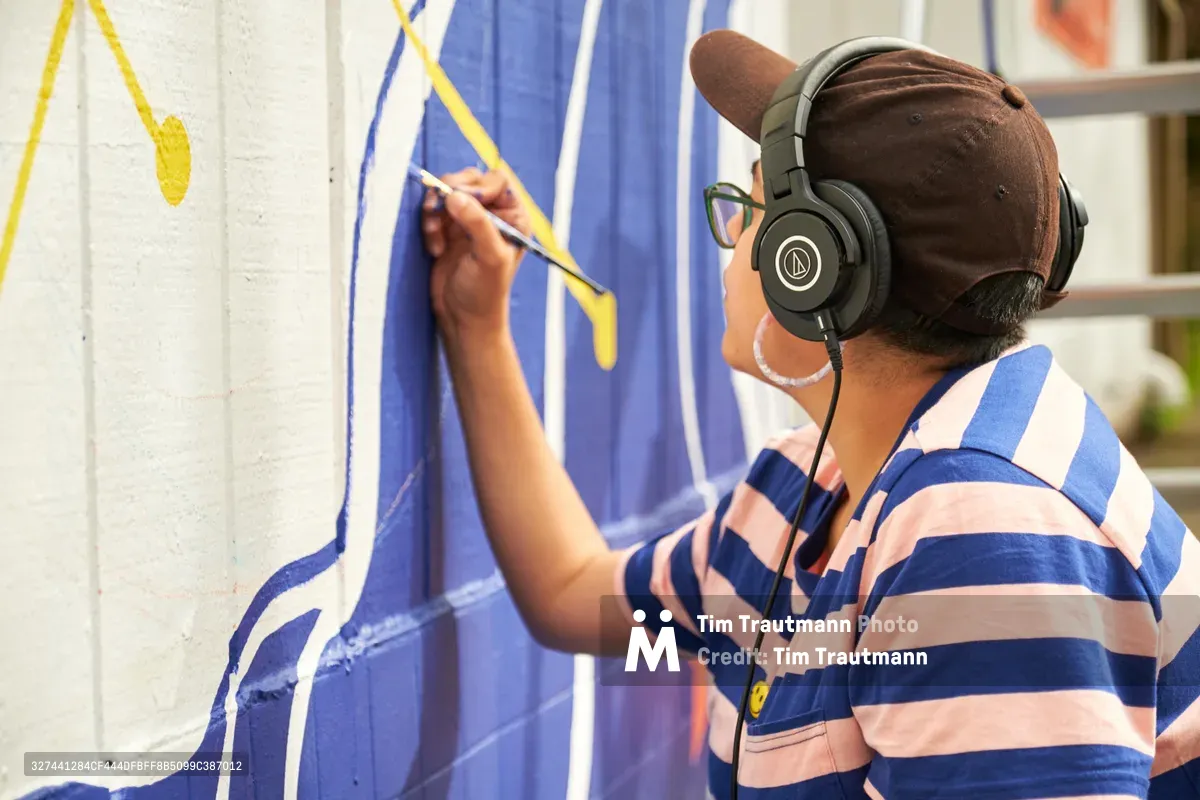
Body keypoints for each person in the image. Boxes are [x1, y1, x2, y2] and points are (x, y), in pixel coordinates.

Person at [419, 29, 1200, 800]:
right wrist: (474, 325)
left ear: (815, 266)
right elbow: (571, 594)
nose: (732, 235)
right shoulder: (804, 486)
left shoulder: (986, 533)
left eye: (753, 205)